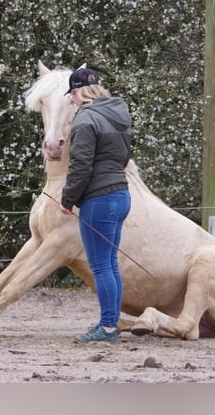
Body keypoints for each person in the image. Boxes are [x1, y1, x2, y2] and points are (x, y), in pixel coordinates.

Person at [59, 67, 132, 343]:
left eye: (72, 95)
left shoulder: (85, 119)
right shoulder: (119, 115)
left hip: (99, 200)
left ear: (79, 91)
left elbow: (81, 166)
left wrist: (68, 199)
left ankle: (108, 328)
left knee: (101, 266)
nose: (71, 101)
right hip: (122, 195)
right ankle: (111, 323)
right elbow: (124, 156)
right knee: (110, 264)